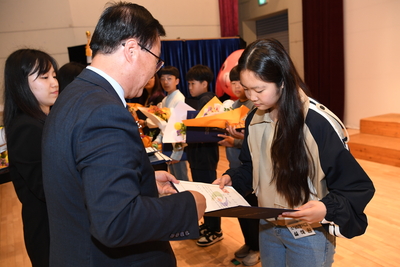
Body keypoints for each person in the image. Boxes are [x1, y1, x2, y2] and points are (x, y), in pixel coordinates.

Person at [41, 3, 206, 267]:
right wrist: (189, 206)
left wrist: (144, 181)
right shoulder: (104, 111)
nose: (156, 70)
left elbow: (83, 180)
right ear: (131, 50)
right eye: (157, 59)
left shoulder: (73, 95)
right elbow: (116, 222)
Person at [213, 38, 375, 267]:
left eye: (259, 89)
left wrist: (326, 208)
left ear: (282, 82)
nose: (251, 97)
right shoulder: (253, 118)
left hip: (310, 234)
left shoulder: (317, 123)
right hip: (268, 227)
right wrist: (233, 178)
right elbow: (252, 167)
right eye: (246, 89)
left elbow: (356, 186)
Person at [3, 48, 59, 267]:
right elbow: (47, 188)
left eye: (54, 75)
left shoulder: (42, 119)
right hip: (49, 233)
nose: (54, 82)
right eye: (44, 77)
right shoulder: (26, 127)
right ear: (20, 83)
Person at [217, 66, 259, 266]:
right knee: (240, 210)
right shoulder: (232, 106)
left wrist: (234, 141)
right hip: (235, 167)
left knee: (253, 210)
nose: (235, 86)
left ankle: (257, 247)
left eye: (238, 82)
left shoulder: (255, 105)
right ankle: (248, 243)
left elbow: (256, 140)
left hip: (251, 169)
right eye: (232, 82)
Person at [185, 64, 222, 246]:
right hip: (197, 154)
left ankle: (216, 230)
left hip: (205, 155)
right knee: (203, 191)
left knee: (209, 193)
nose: (190, 87)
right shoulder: (200, 100)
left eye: (192, 83)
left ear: (205, 83)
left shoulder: (209, 100)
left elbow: (209, 130)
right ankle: (208, 225)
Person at [152, 66, 189, 181]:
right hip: (168, 144)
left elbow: (181, 127)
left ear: (177, 81)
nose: (165, 82)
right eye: (163, 79)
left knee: (181, 180)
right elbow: (164, 124)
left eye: (169, 78)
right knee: (173, 179)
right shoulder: (165, 100)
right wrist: (157, 140)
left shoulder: (179, 99)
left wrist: (177, 153)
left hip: (177, 147)